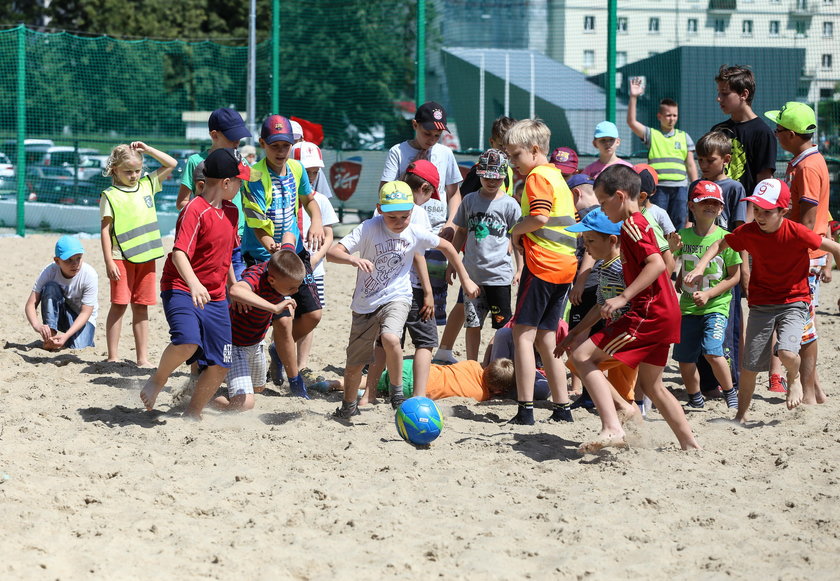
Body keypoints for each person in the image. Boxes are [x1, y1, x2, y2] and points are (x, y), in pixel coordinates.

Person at [683, 179, 840, 423]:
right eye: (756, 210)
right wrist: (702, 265)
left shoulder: (797, 231)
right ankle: (740, 416)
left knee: (788, 354)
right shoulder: (749, 232)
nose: (759, 216)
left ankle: (795, 379)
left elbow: (834, 247)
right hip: (761, 305)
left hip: (794, 302)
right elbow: (719, 243)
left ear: (783, 211)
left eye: (767, 211)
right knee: (749, 368)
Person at [569, 165, 700, 452]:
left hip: (648, 313)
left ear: (619, 196)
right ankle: (690, 445)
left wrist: (623, 297)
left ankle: (612, 426)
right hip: (665, 313)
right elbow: (662, 263)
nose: (603, 211)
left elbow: (656, 264)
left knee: (582, 357)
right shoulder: (638, 223)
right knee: (654, 386)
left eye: (603, 204)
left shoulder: (631, 225)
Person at [327, 181, 479, 420]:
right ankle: (348, 405)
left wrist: (466, 278)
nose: (399, 223)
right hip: (365, 303)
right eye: (392, 217)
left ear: (412, 211)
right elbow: (333, 252)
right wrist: (353, 260)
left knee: (390, 337)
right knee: (354, 365)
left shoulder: (413, 230)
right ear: (379, 209)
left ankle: (397, 393)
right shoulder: (368, 228)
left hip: (398, 296)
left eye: (404, 216)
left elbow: (448, 247)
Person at [140, 148, 260, 419]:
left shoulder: (231, 212)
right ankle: (158, 378)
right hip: (181, 287)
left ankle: (193, 413)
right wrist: (194, 284)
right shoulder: (195, 209)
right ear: (227, 183)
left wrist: (234, 286)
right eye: (240, 182)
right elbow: (180, 252)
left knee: (221, 363)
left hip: (215, 295)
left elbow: (226, 254)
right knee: (187, 342)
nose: (242, 187)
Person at [241, 114, 324, 399]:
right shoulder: (252, 175)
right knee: (285, 319)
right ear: (263, 143)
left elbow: (308, 201)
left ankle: (279, 349)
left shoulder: (298, 169)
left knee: (314, 314)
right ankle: (295, 380)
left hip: (293, 250)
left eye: (285, 145)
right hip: (264, 255)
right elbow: (254, 221)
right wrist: (273, 246)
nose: (280, 151)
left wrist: (315, 221)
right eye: (274, 145)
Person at [505, 118, 577, 424]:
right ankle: (562, 407)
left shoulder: (536, 177)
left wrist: (515, 232)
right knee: (547, 338)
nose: (512, 162)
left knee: (522, 334)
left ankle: (526, 409)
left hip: (542, 265)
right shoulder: (559, 178)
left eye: (515, 155)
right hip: (565, 267)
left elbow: (539, 218)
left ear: (535, 150)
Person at [765, 102, 828, 405]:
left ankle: (810, 392)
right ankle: (815, 389)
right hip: (806, 252)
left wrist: (788, 248)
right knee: (799, 319)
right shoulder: (802, 161)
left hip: (805, 254)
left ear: (790, 134)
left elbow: (808, 220)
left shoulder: (807, 166)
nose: (775, 135)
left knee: (802, 323)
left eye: (777, 130)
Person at [100, 142, 176, 366]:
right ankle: (112, 356)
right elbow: (105, 230)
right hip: (120, 257)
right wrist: (108, 261)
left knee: (141, 306)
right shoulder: (110, 195)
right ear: (115, 169)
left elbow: (171, 163)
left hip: (146, 256)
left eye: (137, 170)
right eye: (127, 171)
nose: (133, 175)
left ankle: (142, 358)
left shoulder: (147, 185)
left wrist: (149, 150)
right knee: (119, 304)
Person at [558, 209, 638, 418]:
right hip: (617, 334)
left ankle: (623, 409)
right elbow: (599, 305)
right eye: (584, 240)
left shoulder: (623, 267)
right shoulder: (604, 266)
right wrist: (575, 333)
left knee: (580, 361)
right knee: (621, 390)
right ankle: (631, 425)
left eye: (591, 240)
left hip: (628, 335)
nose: (586, 246)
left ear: (612, 241)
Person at [670, 181, 742, 410]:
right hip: (688, 307)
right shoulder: (682, 236)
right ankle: (695, 398)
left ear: (721, 209)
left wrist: (710, 294)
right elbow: (670, 266)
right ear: (692, 205)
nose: (710, 206)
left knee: (713, 351)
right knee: (684, 358)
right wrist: (672, 251)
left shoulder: (726, 239)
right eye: (704, 202)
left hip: (716, 306)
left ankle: (730, 393)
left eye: (715, 203)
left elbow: (734, 277)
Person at [690, 131, 748, 399]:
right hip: (700, 273)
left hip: (725, 271)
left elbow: (740, 233)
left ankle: (730, 381)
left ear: (725, 160)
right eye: (700, 159)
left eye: (709, 160)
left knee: (727, 328)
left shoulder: (734, 188)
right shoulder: (697, 186)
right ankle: (706, 384)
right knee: (698, 323)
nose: (704, 165)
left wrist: (744, 270)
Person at [450, 149, 522, 361]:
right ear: (479, 175)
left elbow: (518, 239)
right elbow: (461, 231)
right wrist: (451, 264)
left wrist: (520, 268)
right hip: (472, 276)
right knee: (473, 323)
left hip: (499, 276)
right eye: (487, 176)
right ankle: (472, 364)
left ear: (504, 177)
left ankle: (500, 364)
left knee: (502, 326)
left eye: (497, 177)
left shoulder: (509, 204)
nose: (491, 181)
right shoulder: (470, 200)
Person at [211, 251, 304, 412]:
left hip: (256, 343)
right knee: (244, 404)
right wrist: (274, 308)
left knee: (259, 388)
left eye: (298, 286)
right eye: (291, 288)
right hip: (235, 347)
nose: (296, 291)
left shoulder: (280, 276)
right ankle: (200, 397)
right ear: (272, 280)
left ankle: (215, 384)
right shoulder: (257, 275)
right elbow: (235, 291)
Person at [178, 107, 252, 281]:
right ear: (214, 135)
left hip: (237, 238)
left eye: (239, 137)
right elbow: (182, 201)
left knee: (238, 292)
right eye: (232, 137)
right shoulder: (196, 162)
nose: (237, 142)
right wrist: (207, 213)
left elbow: (248, 198)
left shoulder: (241, 161)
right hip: (209, 238)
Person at [290, 141, 338, 380]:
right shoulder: (285, 198)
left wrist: (315, 258)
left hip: (314, 270)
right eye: (305, 172)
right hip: (287, 269)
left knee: (309, 315)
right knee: (286, 315)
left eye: (314, 173)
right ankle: (282, 358)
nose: (310, 177)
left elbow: (329, 234)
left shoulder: (321, 200)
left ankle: (302, 364)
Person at [626, 77, 698, 229]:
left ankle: (676, 251)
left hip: (680, 187)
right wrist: (633, 97)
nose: (671, 119)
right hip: (659, 188)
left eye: (674, 115)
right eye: (668, 115)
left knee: (678, 221)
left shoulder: (684, 136)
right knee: (657, 222)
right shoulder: (652, 135)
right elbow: (632, 122)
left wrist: (695, 186)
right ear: (659, 116)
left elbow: (690, 164)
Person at [379, 101, 463, 231]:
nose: (432, 139)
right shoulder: (398, 151)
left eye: (437, 135)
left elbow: (454, 194)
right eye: (427, 133)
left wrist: (450, 224)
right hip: (405, 228)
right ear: (415, 125)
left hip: (437, 228)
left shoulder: (445, 153)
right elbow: (384, 191)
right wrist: (411, 171)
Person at [711, 65, 776, 198]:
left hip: (748, 213)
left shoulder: (763, 133)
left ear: (744, 94)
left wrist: (747, 218)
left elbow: (763, 185)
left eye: (725, 93)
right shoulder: (718, 130)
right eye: (718, 92)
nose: (719, 98)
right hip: (716, 209)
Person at [25, 236, 98, 351]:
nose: (75, 264)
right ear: (57, 261)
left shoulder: (90, 274)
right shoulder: (49, 271)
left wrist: (67, 335)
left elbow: (86, 312)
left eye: (78, 258)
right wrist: (38, 326)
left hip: (83, 319)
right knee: (50, 287)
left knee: (78, 348)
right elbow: (30, 304)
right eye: (69, 260)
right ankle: (51, 336)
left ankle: (75, 337)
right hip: (60, 314)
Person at [371, 357, 521, 402]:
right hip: (414, 387)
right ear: (497, 390)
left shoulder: (472, 364)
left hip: (414, 367)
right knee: (383, 389)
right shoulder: (481, 395)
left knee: (370, 382)